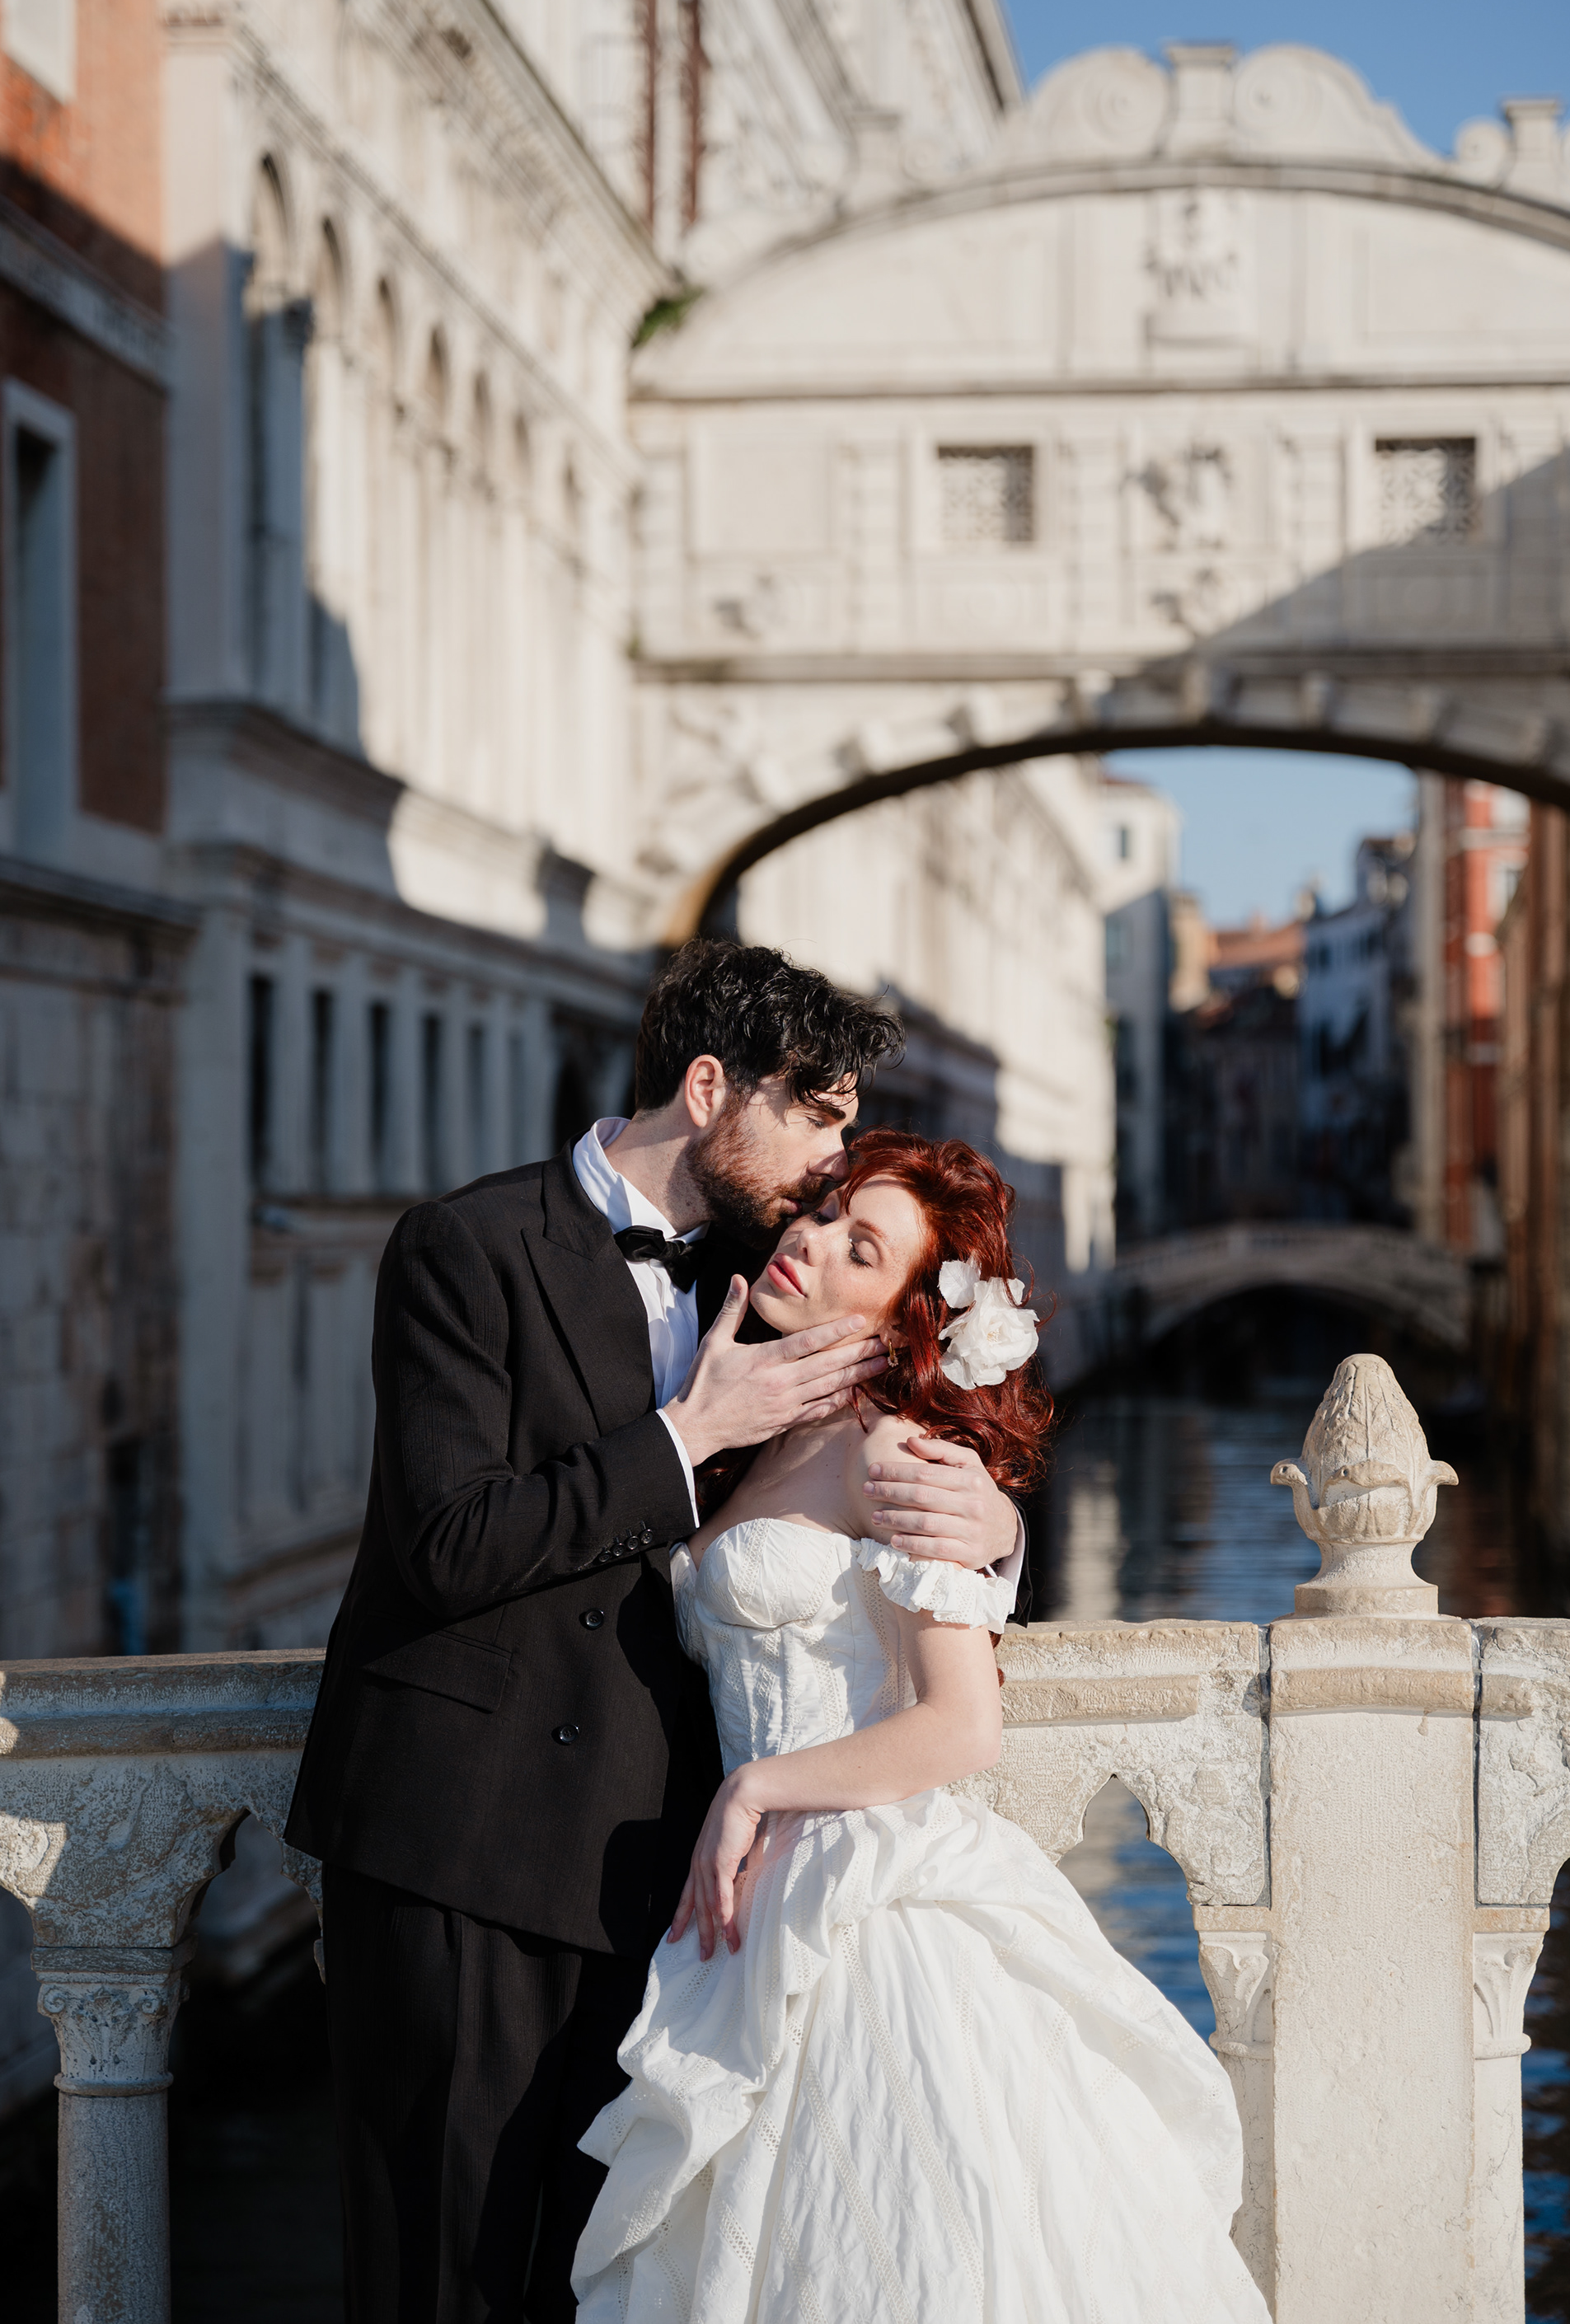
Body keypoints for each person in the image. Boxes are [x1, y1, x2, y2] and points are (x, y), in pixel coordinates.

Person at [284, 939, 1025, 2322]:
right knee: (441, 2278)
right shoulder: (466, 1247)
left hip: (671, 1893)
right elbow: (444, 1544)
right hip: (465, 1854)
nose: (833, 1158)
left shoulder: (784, 1262)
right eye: (818, 1112)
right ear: (708, 1088)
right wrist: (692, 1435)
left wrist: (996, 1531)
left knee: (610, 2283)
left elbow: (892, 1467)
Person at [572, 1130, 1272, 2324]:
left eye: (862, 1249)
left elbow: (961, 1727)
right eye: (827, 1212)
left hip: (862, 1903)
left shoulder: (893, 1451)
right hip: (741, 1918)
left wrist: (759, 1790)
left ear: (906, 1316)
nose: (808, 1241)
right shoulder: (758, 1428)